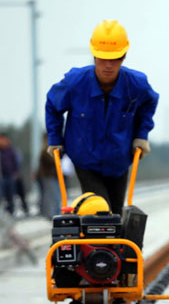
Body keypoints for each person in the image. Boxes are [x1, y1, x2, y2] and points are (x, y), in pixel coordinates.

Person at [45, 19, 159, 217]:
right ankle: (99, 246)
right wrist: (55, 139)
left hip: (119, 160)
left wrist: (142, 135)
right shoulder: (75, 83)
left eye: (114, 59)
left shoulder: (136, 84)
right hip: (85, 159)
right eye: (102, 58)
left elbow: (150, 103)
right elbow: (53, 105)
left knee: (116, 214)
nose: (108, 65)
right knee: (99, 211)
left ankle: (112, 247)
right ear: (94, 55)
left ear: (123, 57)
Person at [35, 134, 61, 219]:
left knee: (53, 196)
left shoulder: (49, 150)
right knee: (51, 197)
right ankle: (50, 214)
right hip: (48, 177)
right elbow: (51, 162)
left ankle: (54, 213)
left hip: (52, 176)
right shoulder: (45, 151)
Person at [0, 133, 19, 215]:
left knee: (10, 195)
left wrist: (15, 172)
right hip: (1, 176)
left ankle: (11, 212)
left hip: (10, 175)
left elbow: (16, 162)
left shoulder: (11, 150)